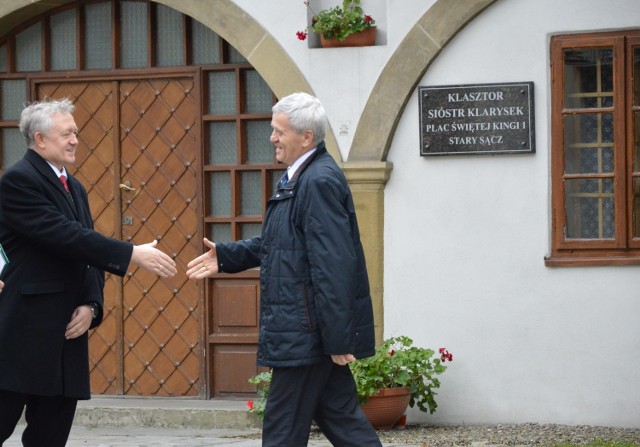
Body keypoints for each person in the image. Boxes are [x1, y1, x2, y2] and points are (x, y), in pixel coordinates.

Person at [187, 92, 382, 446]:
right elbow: (282, 242)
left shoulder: (317, 181)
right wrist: (228, 256)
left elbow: (334, 265)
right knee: (342, 420)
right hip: (308, 330)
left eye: (279, 131)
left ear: (306, 137)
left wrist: (337, 338)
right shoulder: (302, 177)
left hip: (306, 333)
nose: (272, 138)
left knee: (282, 431)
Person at [0, 98, 178, 447]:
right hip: (24, 333)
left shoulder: (74, 186)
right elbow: (64, 236)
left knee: (50, 436)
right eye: (66, 134)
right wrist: (131, 253)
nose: (75, 140)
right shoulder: (18, 181)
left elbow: (87, 255)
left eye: (76, 133)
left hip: (66, 336)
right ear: (39, 139)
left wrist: (92, 306)